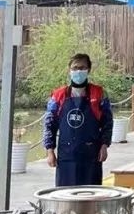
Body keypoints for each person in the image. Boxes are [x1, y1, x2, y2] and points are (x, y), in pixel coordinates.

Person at [43, 53, 113, 186]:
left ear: (89, 70)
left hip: (92, 156)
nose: (78, 71)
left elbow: (107, 123)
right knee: (65, 194)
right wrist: (50, 151)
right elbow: (49, 125)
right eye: (75, 68)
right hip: (66, 156)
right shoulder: (58, 96)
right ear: (69, 70)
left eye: (82, 68)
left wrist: (105, 145)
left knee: (91, 193)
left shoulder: (99, 94)